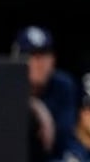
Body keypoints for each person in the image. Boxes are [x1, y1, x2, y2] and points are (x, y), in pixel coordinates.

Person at [11, 25, 78, 162]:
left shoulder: (62, 85)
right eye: (31, 56)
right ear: (16, 60)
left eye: (44, 56)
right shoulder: (6, 84)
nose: (38, 63)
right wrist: (34, 106)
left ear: (53, 60)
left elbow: (63, 138)